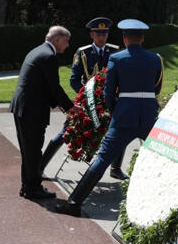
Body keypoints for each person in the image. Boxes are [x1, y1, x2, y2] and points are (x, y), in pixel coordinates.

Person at [54, 19, 164, 217]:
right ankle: (163, 203)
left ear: (124, 38)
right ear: (142, 38)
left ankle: (74, 203)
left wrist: (114, 110)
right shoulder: (155, 59)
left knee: (103, 158)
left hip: (123, 116)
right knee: (160, 157)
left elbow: (108, 91)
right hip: (149, 115)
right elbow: (157, 87)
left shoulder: (117, 58)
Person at [39, 16, 127, 180]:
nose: (101, 37)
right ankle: (40, 168)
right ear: (92, 35)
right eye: (98, 34)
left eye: (104, 34)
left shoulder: (115, 51)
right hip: (87, 101)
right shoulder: (83, 52)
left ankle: (116, 169)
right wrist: (87, 95)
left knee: (120, 132)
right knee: (66, 132)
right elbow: (74, 80)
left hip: (110, 102)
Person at [9, 26, 75, 200]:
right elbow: (54, 87)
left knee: (28, 150)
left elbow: (44, 86)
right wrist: (70, 108)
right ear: (57, 39)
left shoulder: (37, 51)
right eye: (66, 41)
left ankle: (27, 187)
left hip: (24, 108)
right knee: (33, 151)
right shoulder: (48, 56)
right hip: (32, 110)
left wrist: (62, 106)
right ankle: (33, 188)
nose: (67, 45)